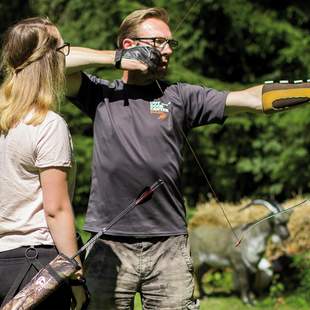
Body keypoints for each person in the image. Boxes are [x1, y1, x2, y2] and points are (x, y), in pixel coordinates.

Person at [65, 7, 310, 309]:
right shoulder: (101, 94)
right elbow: (53, 62)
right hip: (109, 245)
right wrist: (116, 59)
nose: (168, 50)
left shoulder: (180, 97)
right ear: (130, 44)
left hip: (169, 246)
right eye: (159, 42)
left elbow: (249, 99)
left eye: (171, 44)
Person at [0, 17, 87, 309]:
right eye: (62, 49)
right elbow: (56, 209)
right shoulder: (48, 125)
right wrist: (75, 275)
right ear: (48, 60)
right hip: (35, 267)